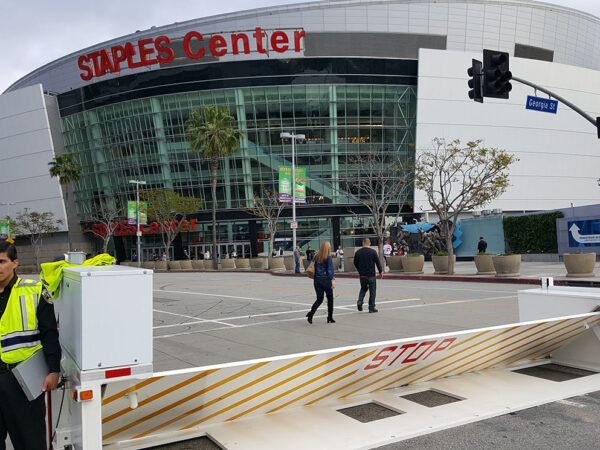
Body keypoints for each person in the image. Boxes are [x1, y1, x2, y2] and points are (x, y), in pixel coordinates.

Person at [0, 241, 61, 449]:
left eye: (2, 261)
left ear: (14, 263)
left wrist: (53, 370)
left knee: (30, 441)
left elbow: (50, 334)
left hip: (21, 380)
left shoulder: (34, 291)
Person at [306, 241, 336, 324]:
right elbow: (330, 270)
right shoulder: (328, 257)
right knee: (330, 298)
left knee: (319, 299)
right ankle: (330, 317)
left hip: (317, 280)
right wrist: (332, 280)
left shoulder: (316, 256)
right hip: (326, 280)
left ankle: (311, 314)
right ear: (328, 248)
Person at [353, 238, 383, 313]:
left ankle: (360, 301)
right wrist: (380, 271)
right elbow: (377, 262)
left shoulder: (358, 252)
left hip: (362, 275)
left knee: (363, 288)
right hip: (371, 275)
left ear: (363, 243)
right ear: (369, 243)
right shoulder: (373, 252)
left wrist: (359, 270)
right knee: (372, 291)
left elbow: (355, 263)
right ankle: (371, 307)